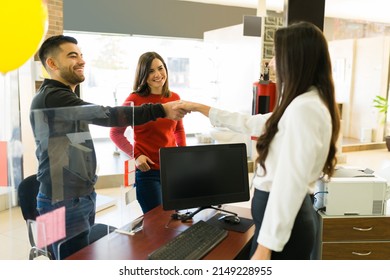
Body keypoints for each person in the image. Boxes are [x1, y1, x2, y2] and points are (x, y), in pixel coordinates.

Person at [175, 22, 340, 260]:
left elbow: (289, 182)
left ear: (294, 59)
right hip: (281, 224)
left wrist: (265, 247)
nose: (271, 63)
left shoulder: (305, 108)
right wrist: (200, 108)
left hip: (284, 231)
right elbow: (252, 122)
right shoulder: (302, 103)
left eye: (276, 55)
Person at [29, 35, 186, 259]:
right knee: (70, 262)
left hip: (78, 196)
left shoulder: (63, 97)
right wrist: (161, 110)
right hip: (61, 201)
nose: (82, 60)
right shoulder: (53, 98)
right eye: (72, 56)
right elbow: (107, 115)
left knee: (78, 256)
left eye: (81, 55)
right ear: (52, 64)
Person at [110, 52, 186, 213]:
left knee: (176, 218)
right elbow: (115, 133)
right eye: (151, 71)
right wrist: (136, 155)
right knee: (157, 222)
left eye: (160, 68)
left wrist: (182, 153)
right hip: (148, 171)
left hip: (172, 169)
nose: (158, 75)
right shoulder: (134, 100)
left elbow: (178, 129)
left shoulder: (175, 97)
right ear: (143, 75)